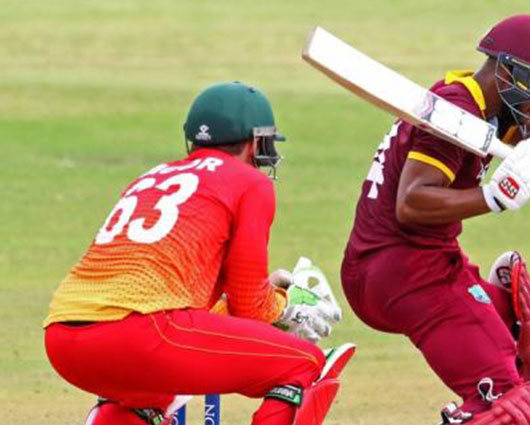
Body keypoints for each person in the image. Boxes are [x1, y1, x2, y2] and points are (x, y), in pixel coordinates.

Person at [43, 81, 354, 425]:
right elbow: (250, 305)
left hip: (63, 339)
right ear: (257, 144)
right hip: (140, 334)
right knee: (305, 365)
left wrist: (271, 292)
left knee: (150, 392)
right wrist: (289, 307)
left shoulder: (151, 177)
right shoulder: (251, 183)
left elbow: (192, 299)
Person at [340, 14, 530, 425]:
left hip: (405, 265)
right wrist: (494, 196)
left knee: (519, 327)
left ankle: (498, 301)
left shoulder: (485, 107)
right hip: (405, 270)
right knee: (506, 404)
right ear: (513, 73)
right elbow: (411, 202)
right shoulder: (455, 112)